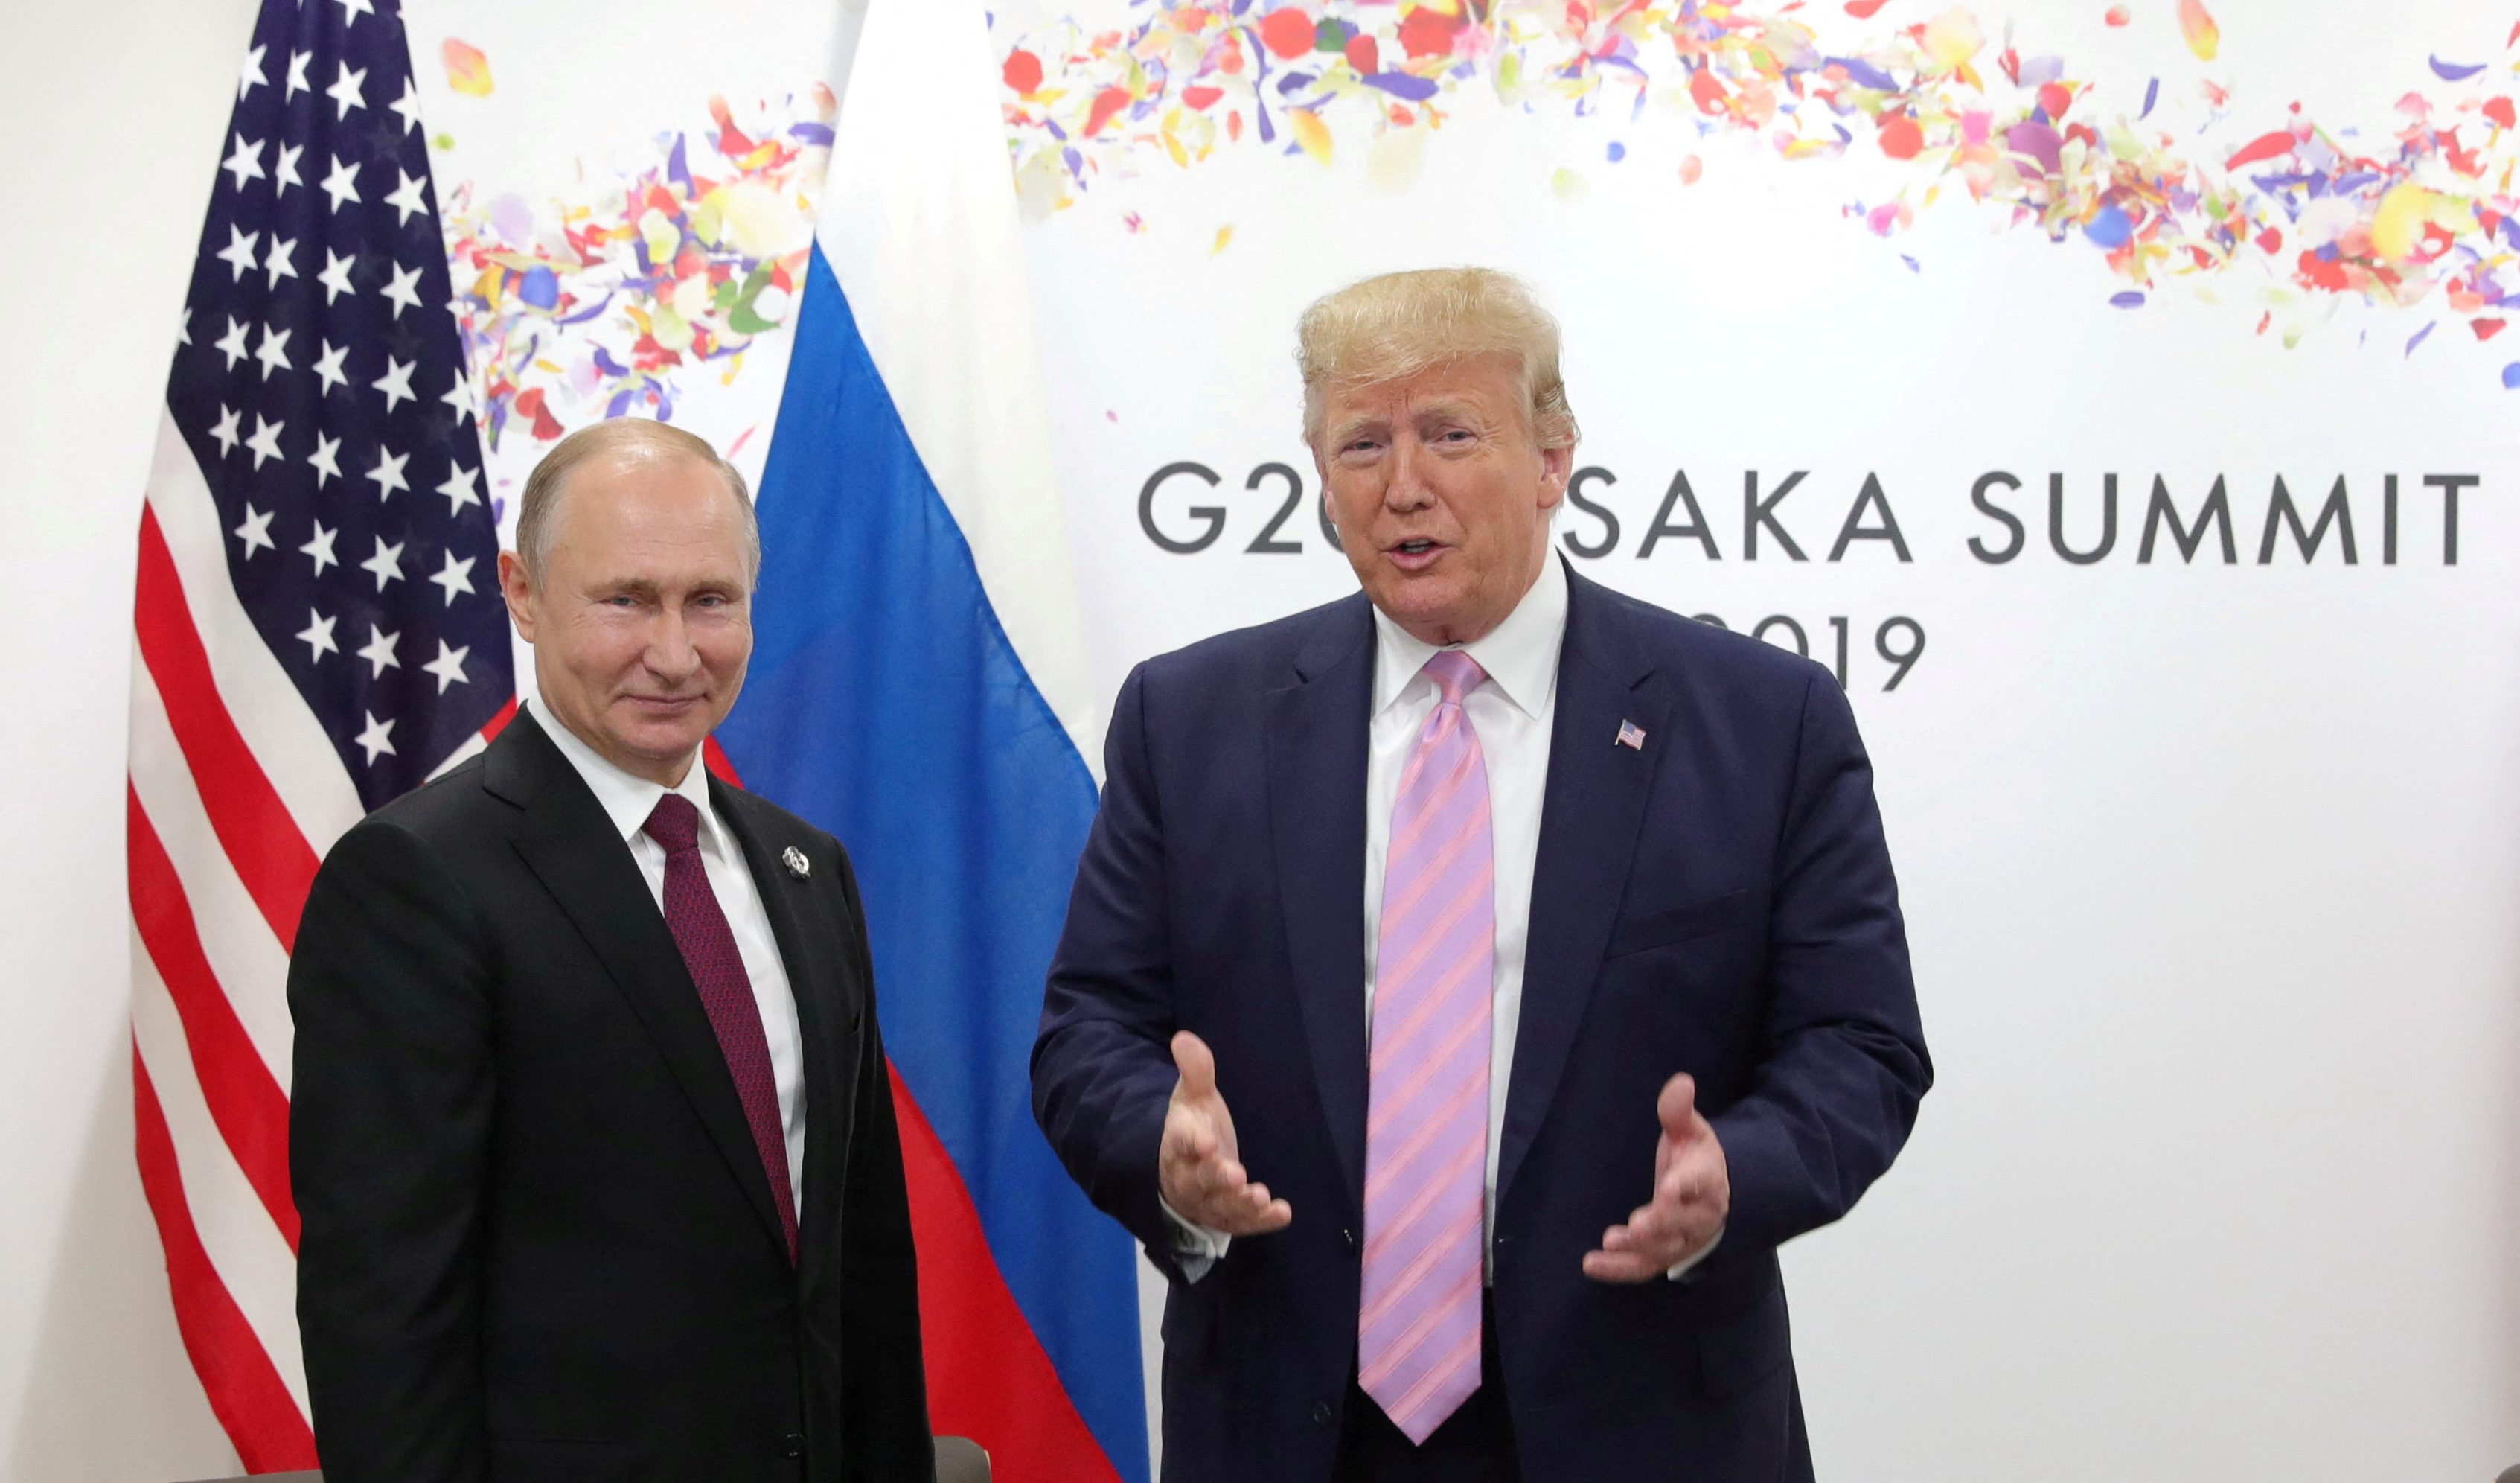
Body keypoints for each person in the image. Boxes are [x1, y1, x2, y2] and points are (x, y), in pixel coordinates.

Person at [1033, 268, 1930, 1482]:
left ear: (1553, 456)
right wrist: (1163, 1150)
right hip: (1293, 1419)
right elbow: (1090, 1029)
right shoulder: (1188, 721)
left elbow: (1859, 1045)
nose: (1404, 484)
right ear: (1321, 476)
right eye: (1362, 442)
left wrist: (1738, 1170)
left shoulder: (1759, 724)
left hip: (1643, 1412)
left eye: (1450, 433)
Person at [289, 419, 931, 1483]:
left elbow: (862, 1275)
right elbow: (384, 1320)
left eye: (710, 601)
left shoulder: (806, 869)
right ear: (525, 593)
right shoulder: (413, 880)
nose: (675, 653)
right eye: (626, 599)